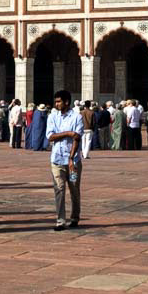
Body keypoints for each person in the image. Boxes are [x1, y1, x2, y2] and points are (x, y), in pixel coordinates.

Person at [46, 90, 83, 230]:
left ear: (66, 102)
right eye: (55, 101)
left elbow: (77, 138)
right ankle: (60, 220)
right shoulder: (52, 116)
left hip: (73, 163)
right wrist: (68, 133)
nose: (56, 104)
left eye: (59, 101)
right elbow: (50, 136)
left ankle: (74, 217)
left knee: (74, 189)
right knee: (59, 189)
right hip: (56, 160)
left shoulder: (76, 117)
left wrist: (71, 158)